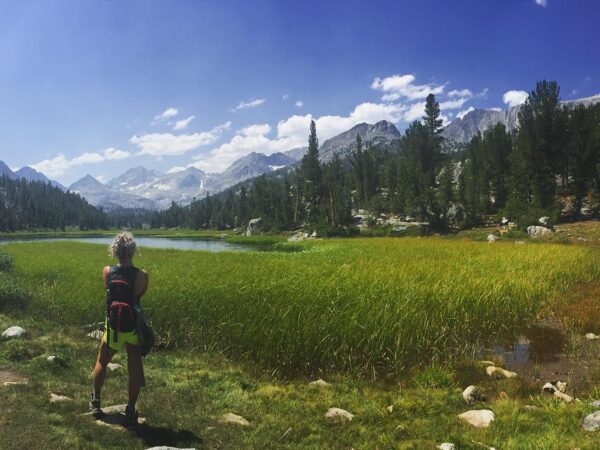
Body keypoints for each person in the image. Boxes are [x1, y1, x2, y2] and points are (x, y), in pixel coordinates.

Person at [89, 232, 149, 423]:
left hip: (114, 327)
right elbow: (139, 294)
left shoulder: (107, 271)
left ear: (115, 251)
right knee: (134, 367)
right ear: (133, 251)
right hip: (132, 328)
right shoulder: (142, 276)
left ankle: (95, 402)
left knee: (102, 362)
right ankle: (130, 409)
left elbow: (109, 291)